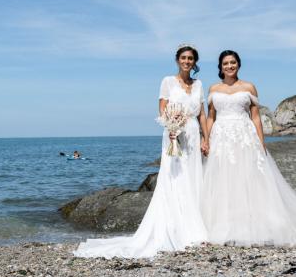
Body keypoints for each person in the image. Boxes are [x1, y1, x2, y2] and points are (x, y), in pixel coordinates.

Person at [73, 44, 209, 259]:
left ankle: (195, 225)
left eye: (191, 58)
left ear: (195, 62)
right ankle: (175, 228)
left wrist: (206, 139)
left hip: (193, 133)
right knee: (175, 178)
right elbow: (162, 109)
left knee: (192, 177)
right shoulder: (167, 81)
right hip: (174, 134)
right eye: (183, 58)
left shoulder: (199, 84)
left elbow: (202, 114)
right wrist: (171, 128)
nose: (187, 61)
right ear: (177, 60)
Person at [202, 50, 296, 246]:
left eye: (233, 62)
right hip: (221, 138)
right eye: (226, 63)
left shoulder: (249, 87)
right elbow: (211, 117)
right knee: (223, 179)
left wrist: (262, 142)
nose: (230, 66)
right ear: (220, 67)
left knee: (248, 177)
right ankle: (225, 224)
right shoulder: (213, 88)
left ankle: (253, 224)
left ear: (238, 64)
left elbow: (255, 117)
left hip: (245, 136)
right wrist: (206, 139)